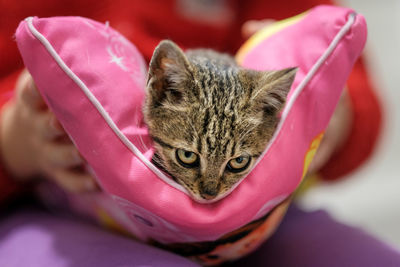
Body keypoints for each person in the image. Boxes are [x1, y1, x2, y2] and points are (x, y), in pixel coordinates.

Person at [0, 0, 385, 266]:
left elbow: (349, 76)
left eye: (231, 164)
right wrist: (13, 143)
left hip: (257, 215)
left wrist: (333, 108)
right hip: (48, 205)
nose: (210, 189)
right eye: (189, 158)